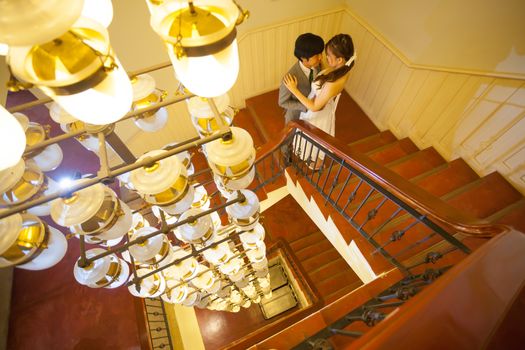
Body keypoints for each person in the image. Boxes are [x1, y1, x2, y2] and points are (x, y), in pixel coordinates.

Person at [283, 33, 355, 169]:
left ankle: (315, 164)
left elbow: (315, 107)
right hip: (321, 106)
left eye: (328, 55)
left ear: (340, 60)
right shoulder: (342, 69)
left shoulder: (334, 82)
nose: (323, 58)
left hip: (316, 113)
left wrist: (294, 89)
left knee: (312, 142)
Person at [278, 33, 325, 125]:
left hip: (314, 114)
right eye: (317, 55)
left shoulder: (318, 65)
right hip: (296, 115)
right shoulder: (289, 78)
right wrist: (306, 106)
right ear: (304, 58)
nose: (321, 57)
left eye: (321, 53)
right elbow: (282, 102)